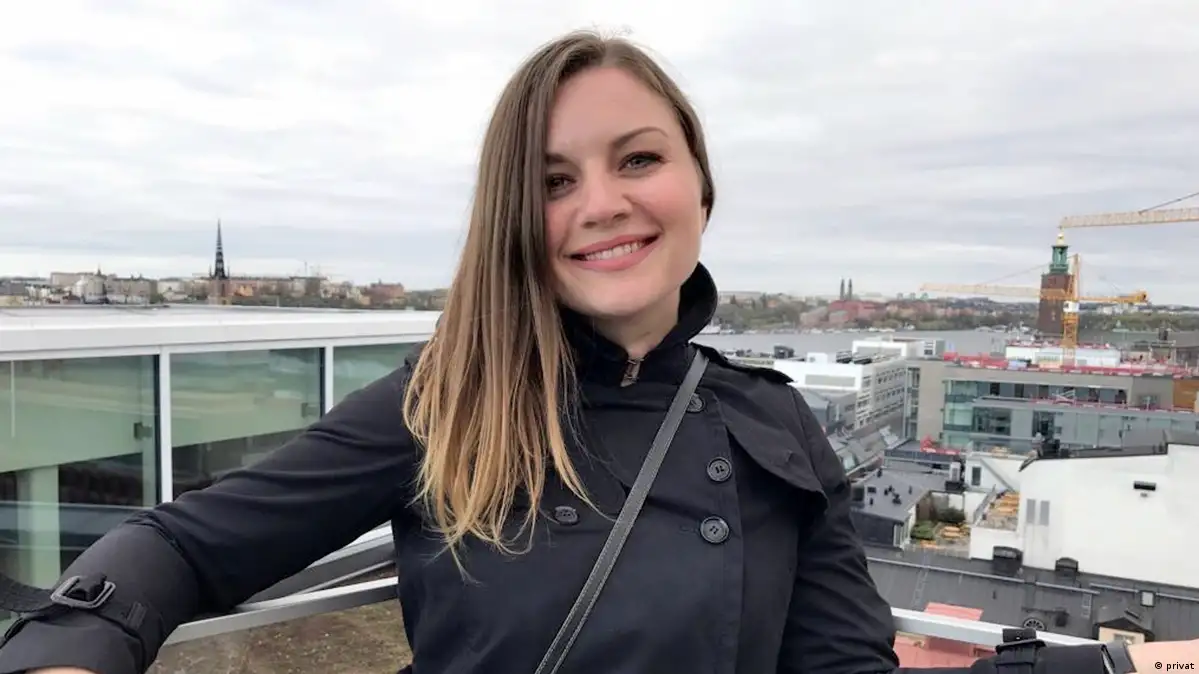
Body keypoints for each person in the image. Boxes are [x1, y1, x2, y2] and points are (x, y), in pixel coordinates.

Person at [0, 30, 1194, 674]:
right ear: (515, 220)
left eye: (636, 159)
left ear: (697, 186)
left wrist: (1100, 668)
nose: (601, 204)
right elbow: (183, 542)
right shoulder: (448, 403)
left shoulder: (774, 420)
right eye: (552, 179)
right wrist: (70, 650)